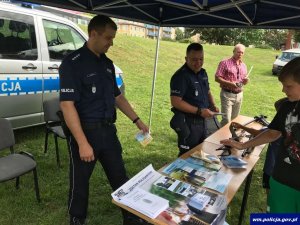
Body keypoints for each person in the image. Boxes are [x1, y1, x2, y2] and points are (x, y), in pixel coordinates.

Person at [59, 15, 150, 225]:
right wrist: (82, 143)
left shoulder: (108, 65)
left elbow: (117, 96)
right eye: (108, 38)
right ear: (94, 34)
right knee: (80, 182)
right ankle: (77, 219)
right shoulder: (73, 64)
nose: (112, 42)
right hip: (86, 131)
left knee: (120, 176)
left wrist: (137, 120)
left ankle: (131, 216)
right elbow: (67, 105)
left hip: (108, 131)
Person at [220, 57, 300, 213]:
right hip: (282, 180)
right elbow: (272, 133)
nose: (284, 90)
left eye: (288, 86)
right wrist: (242, 145)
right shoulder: (287, 106)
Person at [170, 43, 219, 157]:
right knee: (187, 155)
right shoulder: (181, 76)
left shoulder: (203, 73)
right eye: (194, 60)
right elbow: (176, 102)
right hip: (187, 123)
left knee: (201, 151)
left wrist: (212, 105)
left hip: (203, 121)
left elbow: (207, 91)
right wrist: (199, 111)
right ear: (186, 59)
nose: (198, 63)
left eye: (201, 59)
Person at [215, 44, 249, 127]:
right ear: (233, 51)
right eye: (238, 52)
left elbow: (244, 81)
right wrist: (229, 84)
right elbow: (217, 78)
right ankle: (219, 136)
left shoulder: (244, 66)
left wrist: (246, 81)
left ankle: (230, 137)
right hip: (227, 95)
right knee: (226, 119)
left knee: (235, 119)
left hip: (239, 95)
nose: (240, 54)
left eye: (242, 53)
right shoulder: (224, 63)